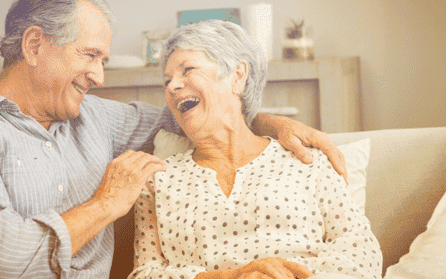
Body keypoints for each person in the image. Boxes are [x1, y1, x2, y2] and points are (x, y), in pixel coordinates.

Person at [0, 0, 347, 278]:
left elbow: (199, 114)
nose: (99, 76)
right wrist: (104, 204)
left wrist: (271, 121)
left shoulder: (93, 117)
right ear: (34, 45)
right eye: (91, 55)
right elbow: (4, 261)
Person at [129, 20, 382, 279]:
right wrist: (234, 277)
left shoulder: (307, 161)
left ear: (237, 76)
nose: (172, 86)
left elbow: (360, 252)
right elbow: (144, 274)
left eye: (187, 70)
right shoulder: (157, 180)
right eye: (167, 80)